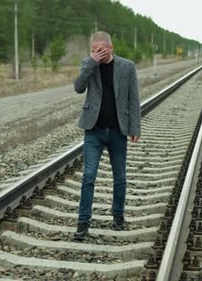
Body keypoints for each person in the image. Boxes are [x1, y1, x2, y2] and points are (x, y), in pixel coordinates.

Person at [72, 31, 141, 241]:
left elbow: (133, 98)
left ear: (110, 48)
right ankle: (83, 222)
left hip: (118, 131)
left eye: (101, 49)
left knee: (119, 177)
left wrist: (134, 128)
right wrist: (91, 63)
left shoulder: (126, 67)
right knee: (88, 176)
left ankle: (118, 216)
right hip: (94, 130)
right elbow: (78, 87)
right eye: (94, 50)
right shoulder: (89, 65)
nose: (98, 53)